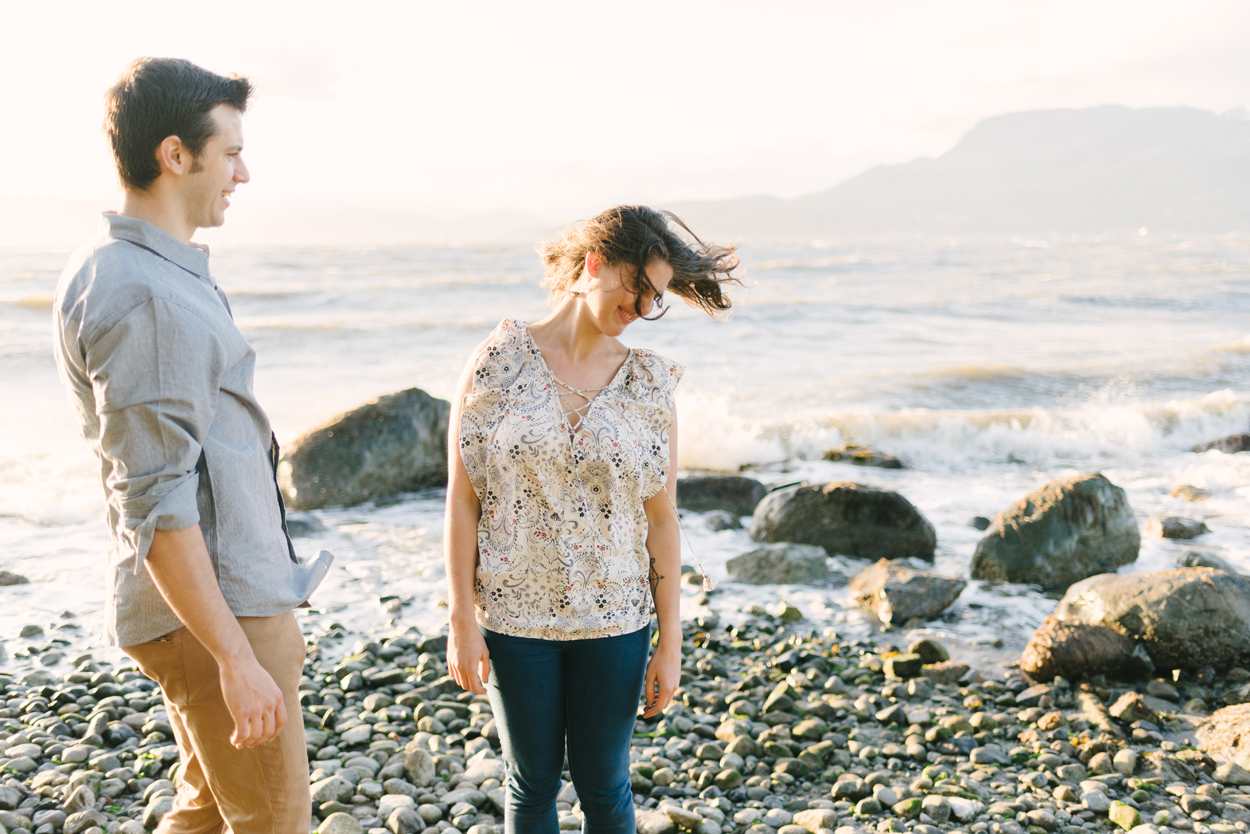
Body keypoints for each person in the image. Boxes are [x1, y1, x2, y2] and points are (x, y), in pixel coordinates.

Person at [53, 58, 332, 834]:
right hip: (220, 614)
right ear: (176, 155)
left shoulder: (121, 268)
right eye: (231, 151)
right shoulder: (146, 293)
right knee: (274, 823)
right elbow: (156, 500)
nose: (244, 172)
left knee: (207, 812)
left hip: (211, 606)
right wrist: (236, 659)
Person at [444, 205, 741, 834]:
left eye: (655, 299)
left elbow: (663, 520)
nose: (642, 307)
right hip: (515, 615)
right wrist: (461, 619)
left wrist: (671, 645)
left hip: (616, 619)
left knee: (604, 785)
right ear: (594, 264)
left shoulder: (648, 383)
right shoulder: (498, 360)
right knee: (531, 784)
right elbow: (463, 499)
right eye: (638, 288)